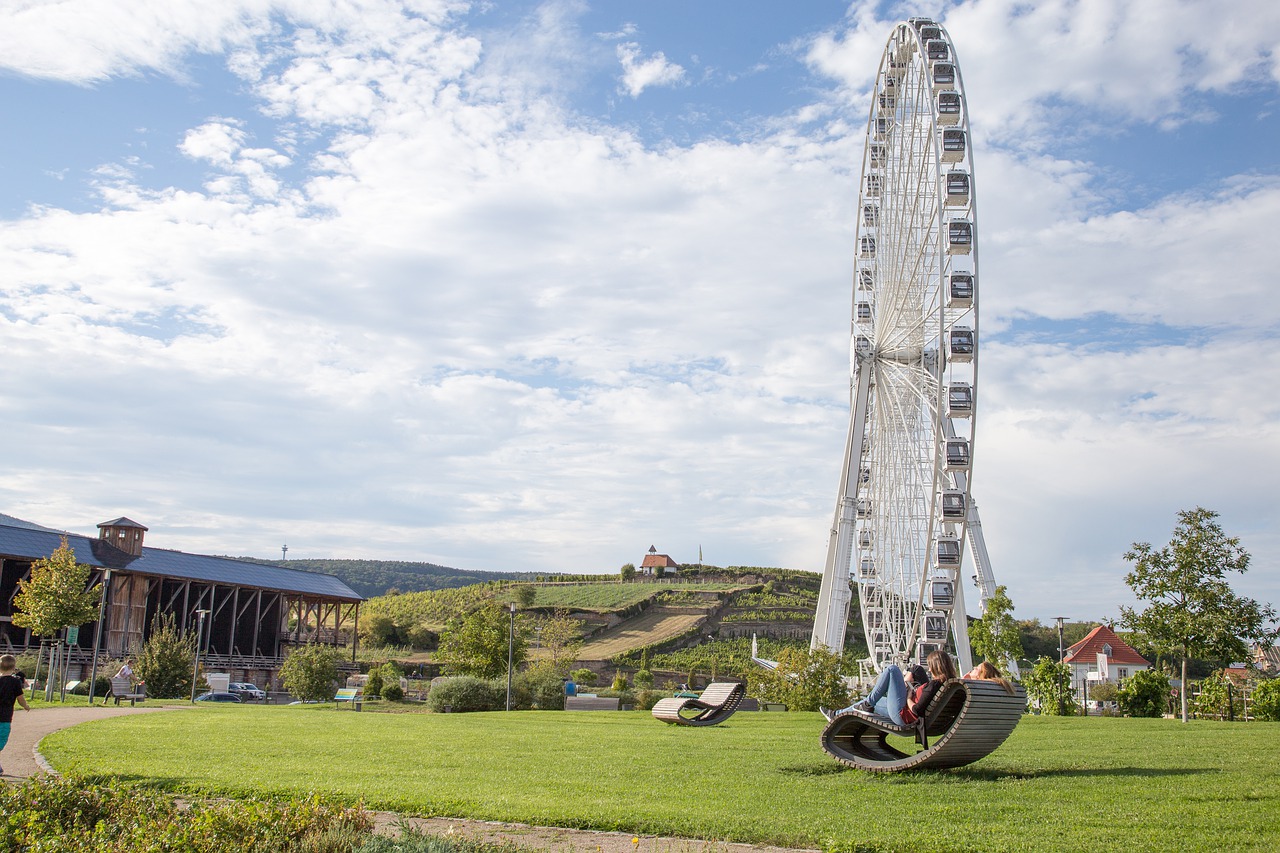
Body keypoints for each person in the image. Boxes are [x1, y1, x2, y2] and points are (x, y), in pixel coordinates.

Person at [822, 650, 959, 725]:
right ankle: (836, 714)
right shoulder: (946, 684)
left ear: (935, 666)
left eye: (930, 665)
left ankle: (866, 704)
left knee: (893, 669)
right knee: (868, 702)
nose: (928, 669)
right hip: (914, 716)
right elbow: (918, 671)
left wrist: (908, 697)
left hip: (904, 716)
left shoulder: (934, 685)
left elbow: (917, 710)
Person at [0, 653, 32, 776]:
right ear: (13, 668)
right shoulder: (15, 682)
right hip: (5, 717)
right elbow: (20, 698)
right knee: (1, 739)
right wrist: (25, 706)